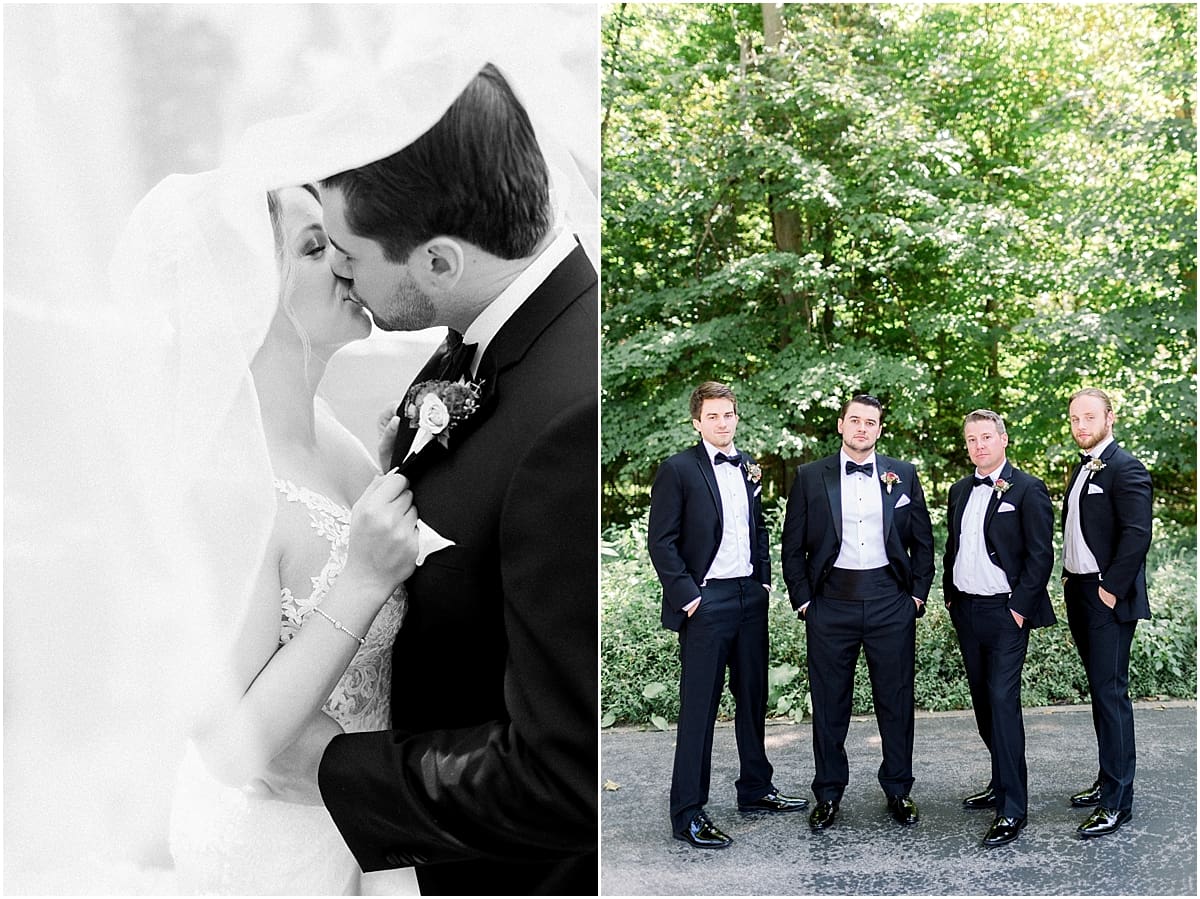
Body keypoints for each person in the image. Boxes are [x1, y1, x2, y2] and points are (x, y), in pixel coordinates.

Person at [255, 61, 598, 895]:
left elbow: (567, 774)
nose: (339, 268)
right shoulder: (478, 341)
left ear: (438, 262)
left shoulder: (572, 413)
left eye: (345, 249)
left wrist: (334, 771)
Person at [113, 171, 425, 894]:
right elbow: (228, 744)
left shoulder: (326, 435)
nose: (348, 260)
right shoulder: (225, 481)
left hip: (357, 821)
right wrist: (363, 578)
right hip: (272, 851)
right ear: (249, 294)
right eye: (316, 248)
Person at [646, 381, 807, 850]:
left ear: (737, 417)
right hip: (706, 602)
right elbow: (662, 542)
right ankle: (688, 813)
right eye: (712, 416)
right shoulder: (678, 470)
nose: (722, 422)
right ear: (697, 422)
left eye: (728, 414)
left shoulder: (748, 466)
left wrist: (764, 580)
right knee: (699, 709)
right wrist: (690, 598)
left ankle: (755, 790)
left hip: (749, 599)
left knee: (753, 698)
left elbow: (757, 528)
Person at [780, 394, 934, 833]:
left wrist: (917, 596)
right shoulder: (811, 476)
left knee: (896, 700)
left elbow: (923, 542)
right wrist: (804, 599)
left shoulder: (902, 474)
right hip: (831, 602)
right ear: (841, 426)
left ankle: (899, 790)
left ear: (879, 430)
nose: (862, 428)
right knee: (830, 705)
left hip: (890, 601)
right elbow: (792, 545)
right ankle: (828, 794)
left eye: (871, 422)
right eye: (855, 421)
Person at [943, 410, 1054, 847]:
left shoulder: (1027, 489)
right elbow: (954, 545)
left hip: (1007, 614)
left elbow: (1039, 555)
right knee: (983, 705)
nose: (979, 446)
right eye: (971, 440)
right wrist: (951, 594)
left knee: (1003, 702)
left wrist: (1019, 609)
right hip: (967, 612)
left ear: (1003, 439)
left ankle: (1014, 808)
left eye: (986, 437)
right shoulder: (959, 490)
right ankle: (999, 782)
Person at [1061, 388, 1153, 838]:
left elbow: (1137, 536)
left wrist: (1110, 591)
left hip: (1106, 599)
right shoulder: (1080, 468)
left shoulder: (1126, 468)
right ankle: (1105, 781)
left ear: (1109, 418)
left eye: (1089, 417)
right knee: (1100, 695)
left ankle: (1118, 803)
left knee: (1112, 697)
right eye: (1075, 419)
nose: (1081, 425)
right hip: (1079, 593)